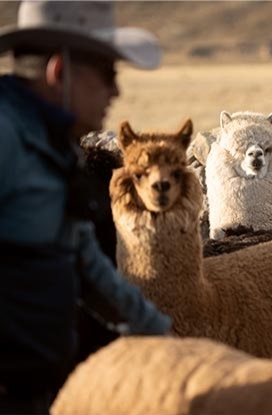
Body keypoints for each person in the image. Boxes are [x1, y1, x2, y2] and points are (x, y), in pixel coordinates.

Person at [0, 1, 171, 413]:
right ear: (60, 70)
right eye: (107, 74)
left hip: (37, 390)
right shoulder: (6, 139)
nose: (116, 92)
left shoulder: (55, 147)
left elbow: (82, 258)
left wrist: (164, 339)